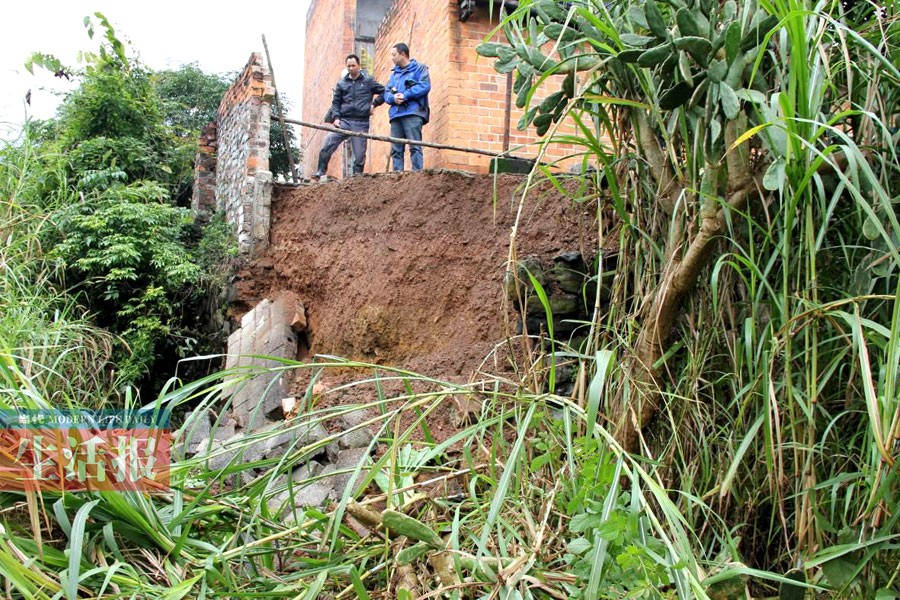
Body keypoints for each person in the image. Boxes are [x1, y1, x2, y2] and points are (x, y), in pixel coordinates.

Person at [313, 54, 385, 179]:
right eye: (349, 66)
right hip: (345, 121)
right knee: (328, 142)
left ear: (359, 66)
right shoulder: (341, 84)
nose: (351, 68)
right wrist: (336, 117)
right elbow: (336, 103)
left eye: (353, 65)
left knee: (360, 153)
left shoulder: (368, 81)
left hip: (361, 122)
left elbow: (385, 91)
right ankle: (320, 171)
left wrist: (375, 103)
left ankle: (357, 179)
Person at [383, 43, 431, 172]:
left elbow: (424, 86)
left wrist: (406, 95)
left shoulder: (419, 69)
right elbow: (386, 93)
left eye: (394, 55)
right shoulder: (393, 75)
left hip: (413, 112)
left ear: (403, 54)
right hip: (396, 114)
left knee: (415, 146)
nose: (392, 58)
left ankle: (417, 174)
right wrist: (393, 98)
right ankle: (397, 176)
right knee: (396, 149)